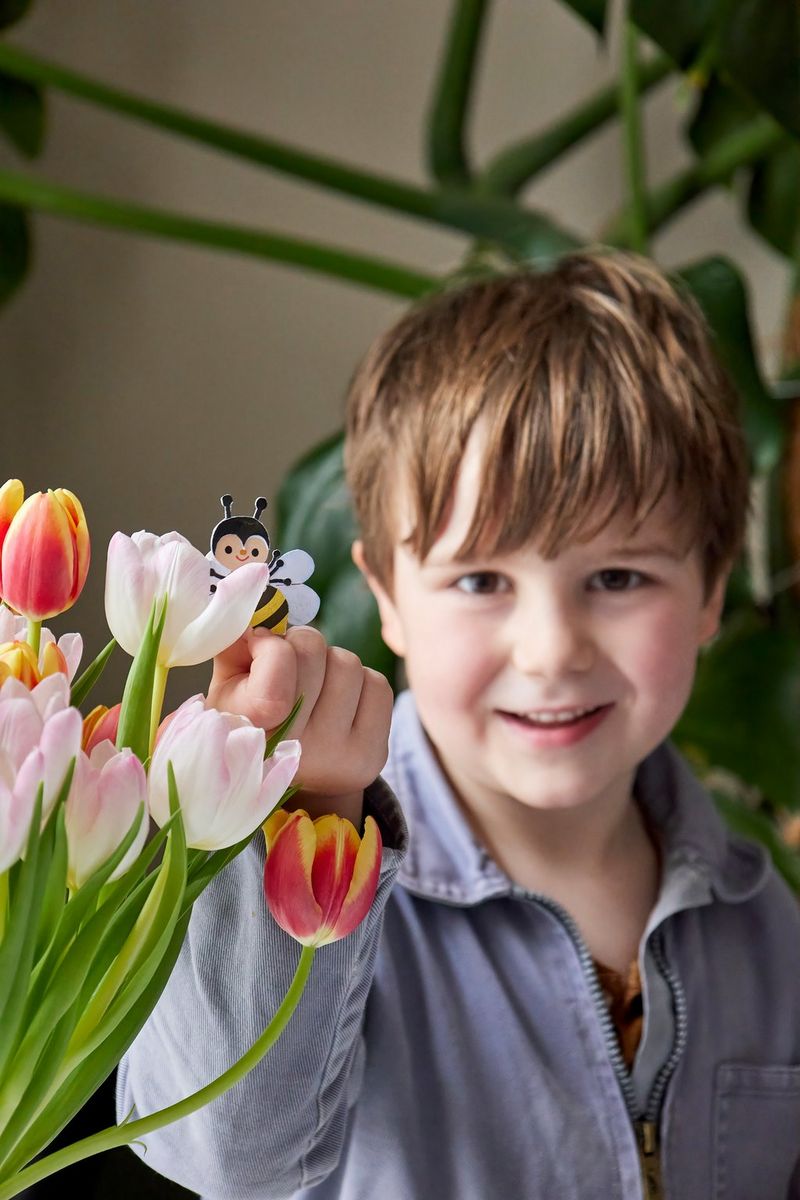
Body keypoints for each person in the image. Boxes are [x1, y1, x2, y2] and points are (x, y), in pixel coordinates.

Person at [117, 249, 800, 1200]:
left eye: (619, 578)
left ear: (710, 595)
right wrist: (308, 826)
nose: (552, 649)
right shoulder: (327, 849)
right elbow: (229, 1159)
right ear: (387, 597)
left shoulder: (766, 927)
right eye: (481, 581)